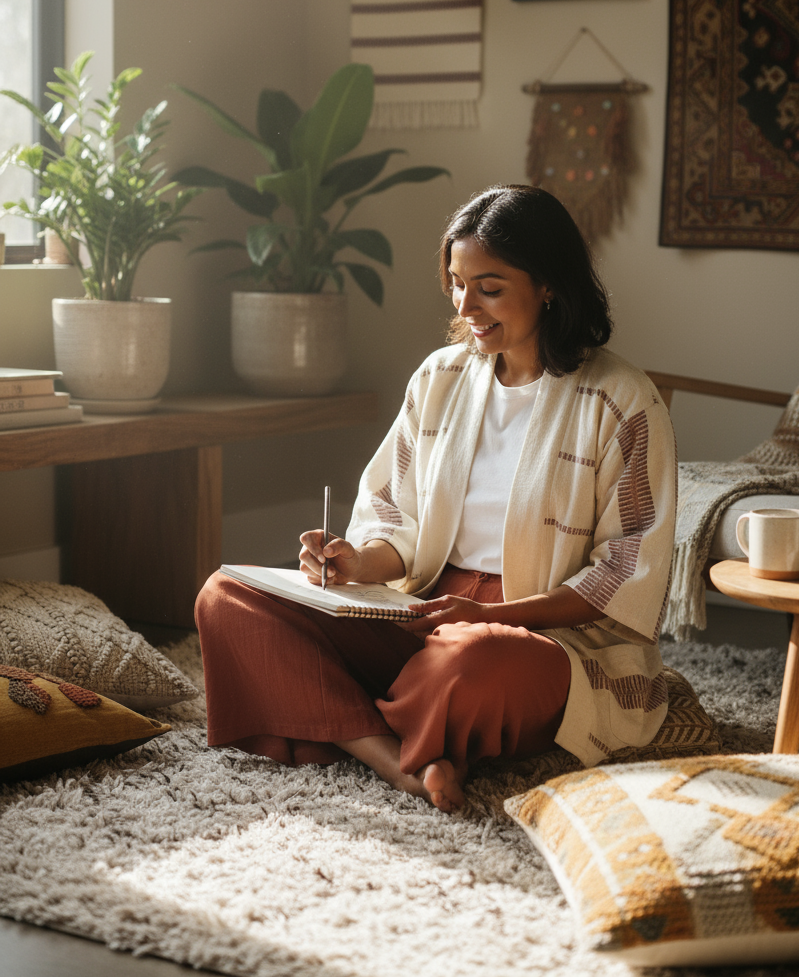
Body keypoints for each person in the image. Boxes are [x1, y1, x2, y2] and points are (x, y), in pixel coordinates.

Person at [196, 185, 676, 813]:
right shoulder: (439, 376)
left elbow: (622, 574)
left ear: (549, 285)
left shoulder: (623, 400)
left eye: (489, 288)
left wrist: (497, 618)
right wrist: (355, 563)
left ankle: (336, 713)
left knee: (468, 662)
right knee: (227, 596)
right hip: (420, 611)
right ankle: (396, 759)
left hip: (540, 638)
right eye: (456, 283)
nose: (465, 305)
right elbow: (395, 519)